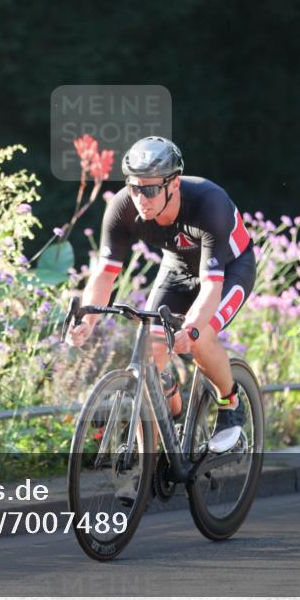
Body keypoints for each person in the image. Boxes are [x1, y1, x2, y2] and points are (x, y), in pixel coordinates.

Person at [65, 136, 256, 453]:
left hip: (230, 267)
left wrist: (191, 327)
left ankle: (231, 401)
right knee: (150, 355)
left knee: (200, 338)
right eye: (134, 187)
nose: (141, 197)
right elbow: (105, 274)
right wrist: (88, 318)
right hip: (178, 267)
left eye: (150, 189)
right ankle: (165, 435)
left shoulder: (209, 203)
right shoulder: (123, 207)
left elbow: (211, 286)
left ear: (174, 183)